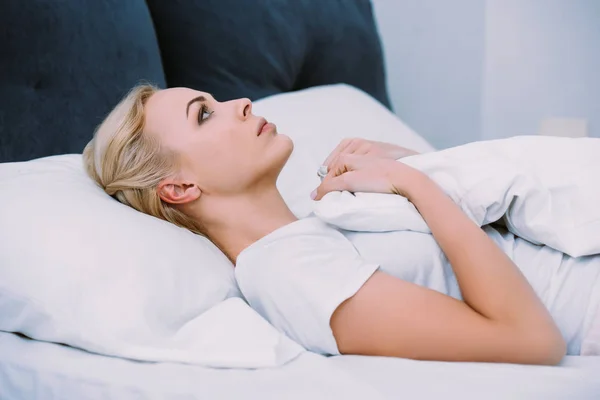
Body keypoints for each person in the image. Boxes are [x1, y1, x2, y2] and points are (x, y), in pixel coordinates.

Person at [83, 84, 599, 365]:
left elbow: (493, 243)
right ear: (178, 189)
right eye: (204, 115)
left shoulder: (322, 222)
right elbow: (529, 342)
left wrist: (415, 166)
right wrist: (414, 183)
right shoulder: (286, 271)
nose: (239, 103)